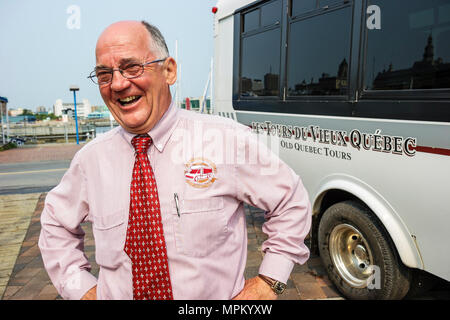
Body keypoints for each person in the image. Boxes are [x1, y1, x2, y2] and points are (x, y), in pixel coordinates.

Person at [38, 20, 311, 300]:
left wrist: (269, 281)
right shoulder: (90, 161)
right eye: (105, 74)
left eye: (132, 67)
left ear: (168, 71)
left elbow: (290, 200)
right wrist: (82, 290)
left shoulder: (225, 140)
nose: (118, 84)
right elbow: (55, 224)